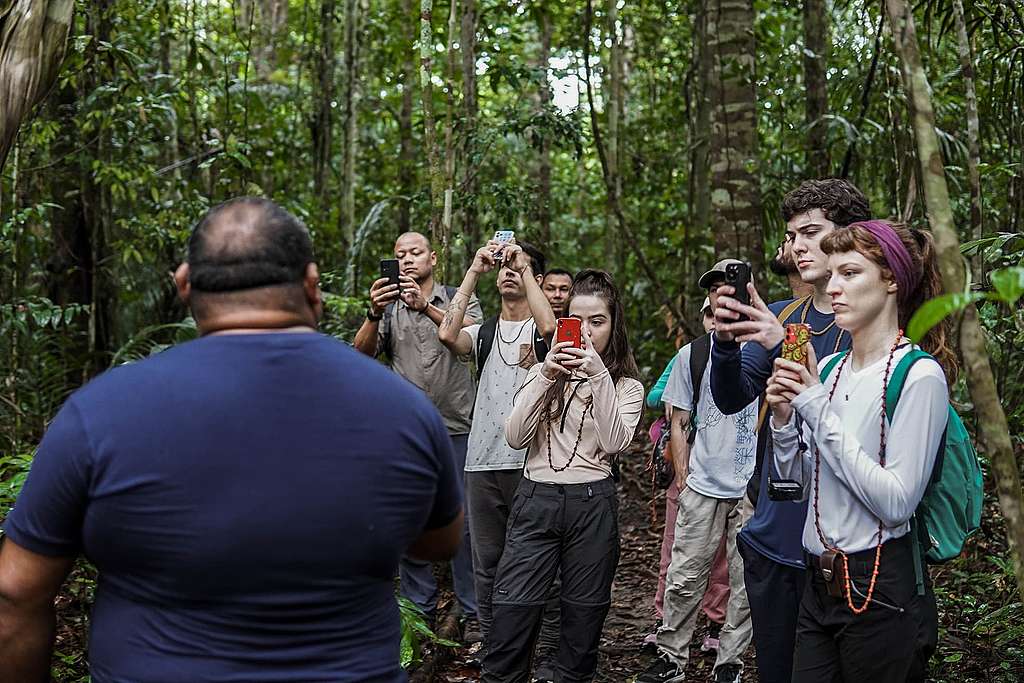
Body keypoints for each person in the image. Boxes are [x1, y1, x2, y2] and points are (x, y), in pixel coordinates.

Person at [0, 197, 464, 682]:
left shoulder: (100, 411)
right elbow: (439, 541)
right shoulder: (401, 407)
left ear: (184, 283)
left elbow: (16, 592)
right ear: (311, 285)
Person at [766, 219, 951, 681]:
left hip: (881, 588)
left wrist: (812, 407)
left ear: (891, 280)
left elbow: (895, 503)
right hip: (818, 582)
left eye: (850, 274)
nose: (834, 288)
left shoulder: (919, 375)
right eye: (832, 276)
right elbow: (797, 484)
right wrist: (785, 418)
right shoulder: (827, 369)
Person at [710, 178, 871, 683]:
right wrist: (724, 342)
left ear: (850, 236)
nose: (798, 246)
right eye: (792, 235)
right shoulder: (784, 314)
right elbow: (732, 395)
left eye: (811, 232)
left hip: (848, 541)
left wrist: (787, 347)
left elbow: (864, 423)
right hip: (777, 536)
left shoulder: (873, 324)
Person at [482, 270, 644, 683]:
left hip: (593, 504)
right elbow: (516, 436)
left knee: (583, 619)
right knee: (512, 614)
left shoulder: (626, 386)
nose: (587, 332)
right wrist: (546, 374)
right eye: (578, 320)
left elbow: (614, 443)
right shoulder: (542, 372)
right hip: (536, 498)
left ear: (614, 326)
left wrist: (597, 375)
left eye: (598, 321)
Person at [353, 231, 481, 639]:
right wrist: (374, 313)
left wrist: (425, 307)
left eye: (415, 253)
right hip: (407, 432)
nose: (407, 260)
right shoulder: (388, 308)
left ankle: (472, 610)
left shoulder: (458, 298)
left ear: (433, 257)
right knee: (411, 517)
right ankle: (418, 611)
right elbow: (361, 354)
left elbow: (471, 342)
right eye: (399, 255)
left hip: (459, 424)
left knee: (463, 522)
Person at [435, 239, 557, 652]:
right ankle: (493, 645)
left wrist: (522, 265)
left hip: (531, 462)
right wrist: (473, 269)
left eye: (515, 267)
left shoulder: (541, 325)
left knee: (533, 561)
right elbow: (447, 333)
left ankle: (536, 647)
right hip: (481, 461)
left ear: (533, 277)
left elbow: (550, 330)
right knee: (486, 563)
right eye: (502, 267)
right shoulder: (484, 331)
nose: (506, 271)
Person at [639, 263, 758, 683]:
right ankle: (672, 655)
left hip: (751, 488)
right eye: (714, 293)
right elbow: (678, 418)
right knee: (684, 574)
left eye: (730, 291)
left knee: (744, 581)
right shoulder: (695, 352)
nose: (722, 299)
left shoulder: (765, 346)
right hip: (703, 482)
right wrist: (685, 475)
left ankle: (730, 662)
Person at [644, 297, 730, 653]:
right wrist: (686, 395)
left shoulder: (746, 354)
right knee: (674, 540)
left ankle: (716, 621)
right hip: (687, 454)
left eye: (722, 314)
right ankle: (665, 618)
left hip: (726, 462)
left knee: (722, 550)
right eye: (709, 314)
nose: (714, 321)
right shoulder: (690, 355)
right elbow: (654, 396)